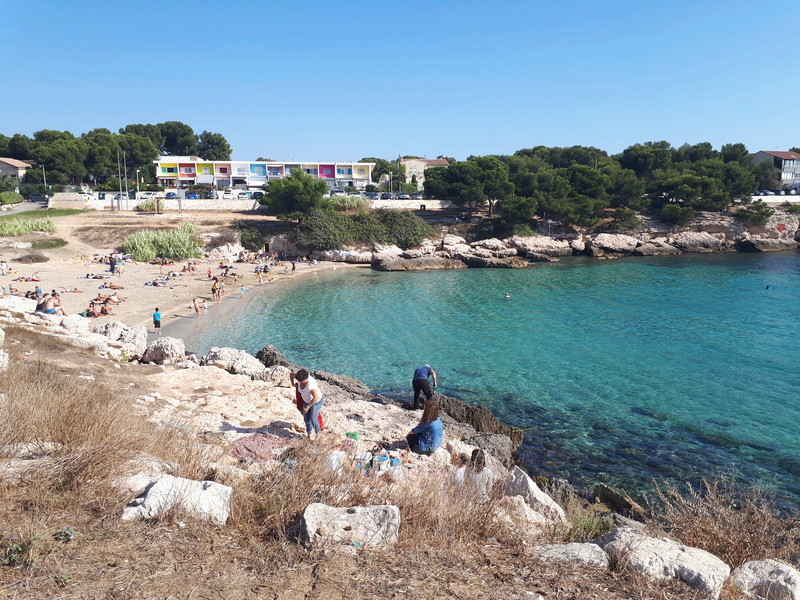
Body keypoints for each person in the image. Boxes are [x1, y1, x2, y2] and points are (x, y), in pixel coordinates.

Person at [290, 368, 324, 440]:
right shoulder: (299, 376)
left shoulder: (310, 386)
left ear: (305, 378)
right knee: (306, 418)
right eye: (298, 381)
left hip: (316, 402)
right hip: (306, 400)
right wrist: (292, 383)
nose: (300, 382)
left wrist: (308, 407)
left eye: (301, 381)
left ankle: (319, 434)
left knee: (313, 419)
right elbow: (292, 374)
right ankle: (310, 435)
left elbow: (316, 397)